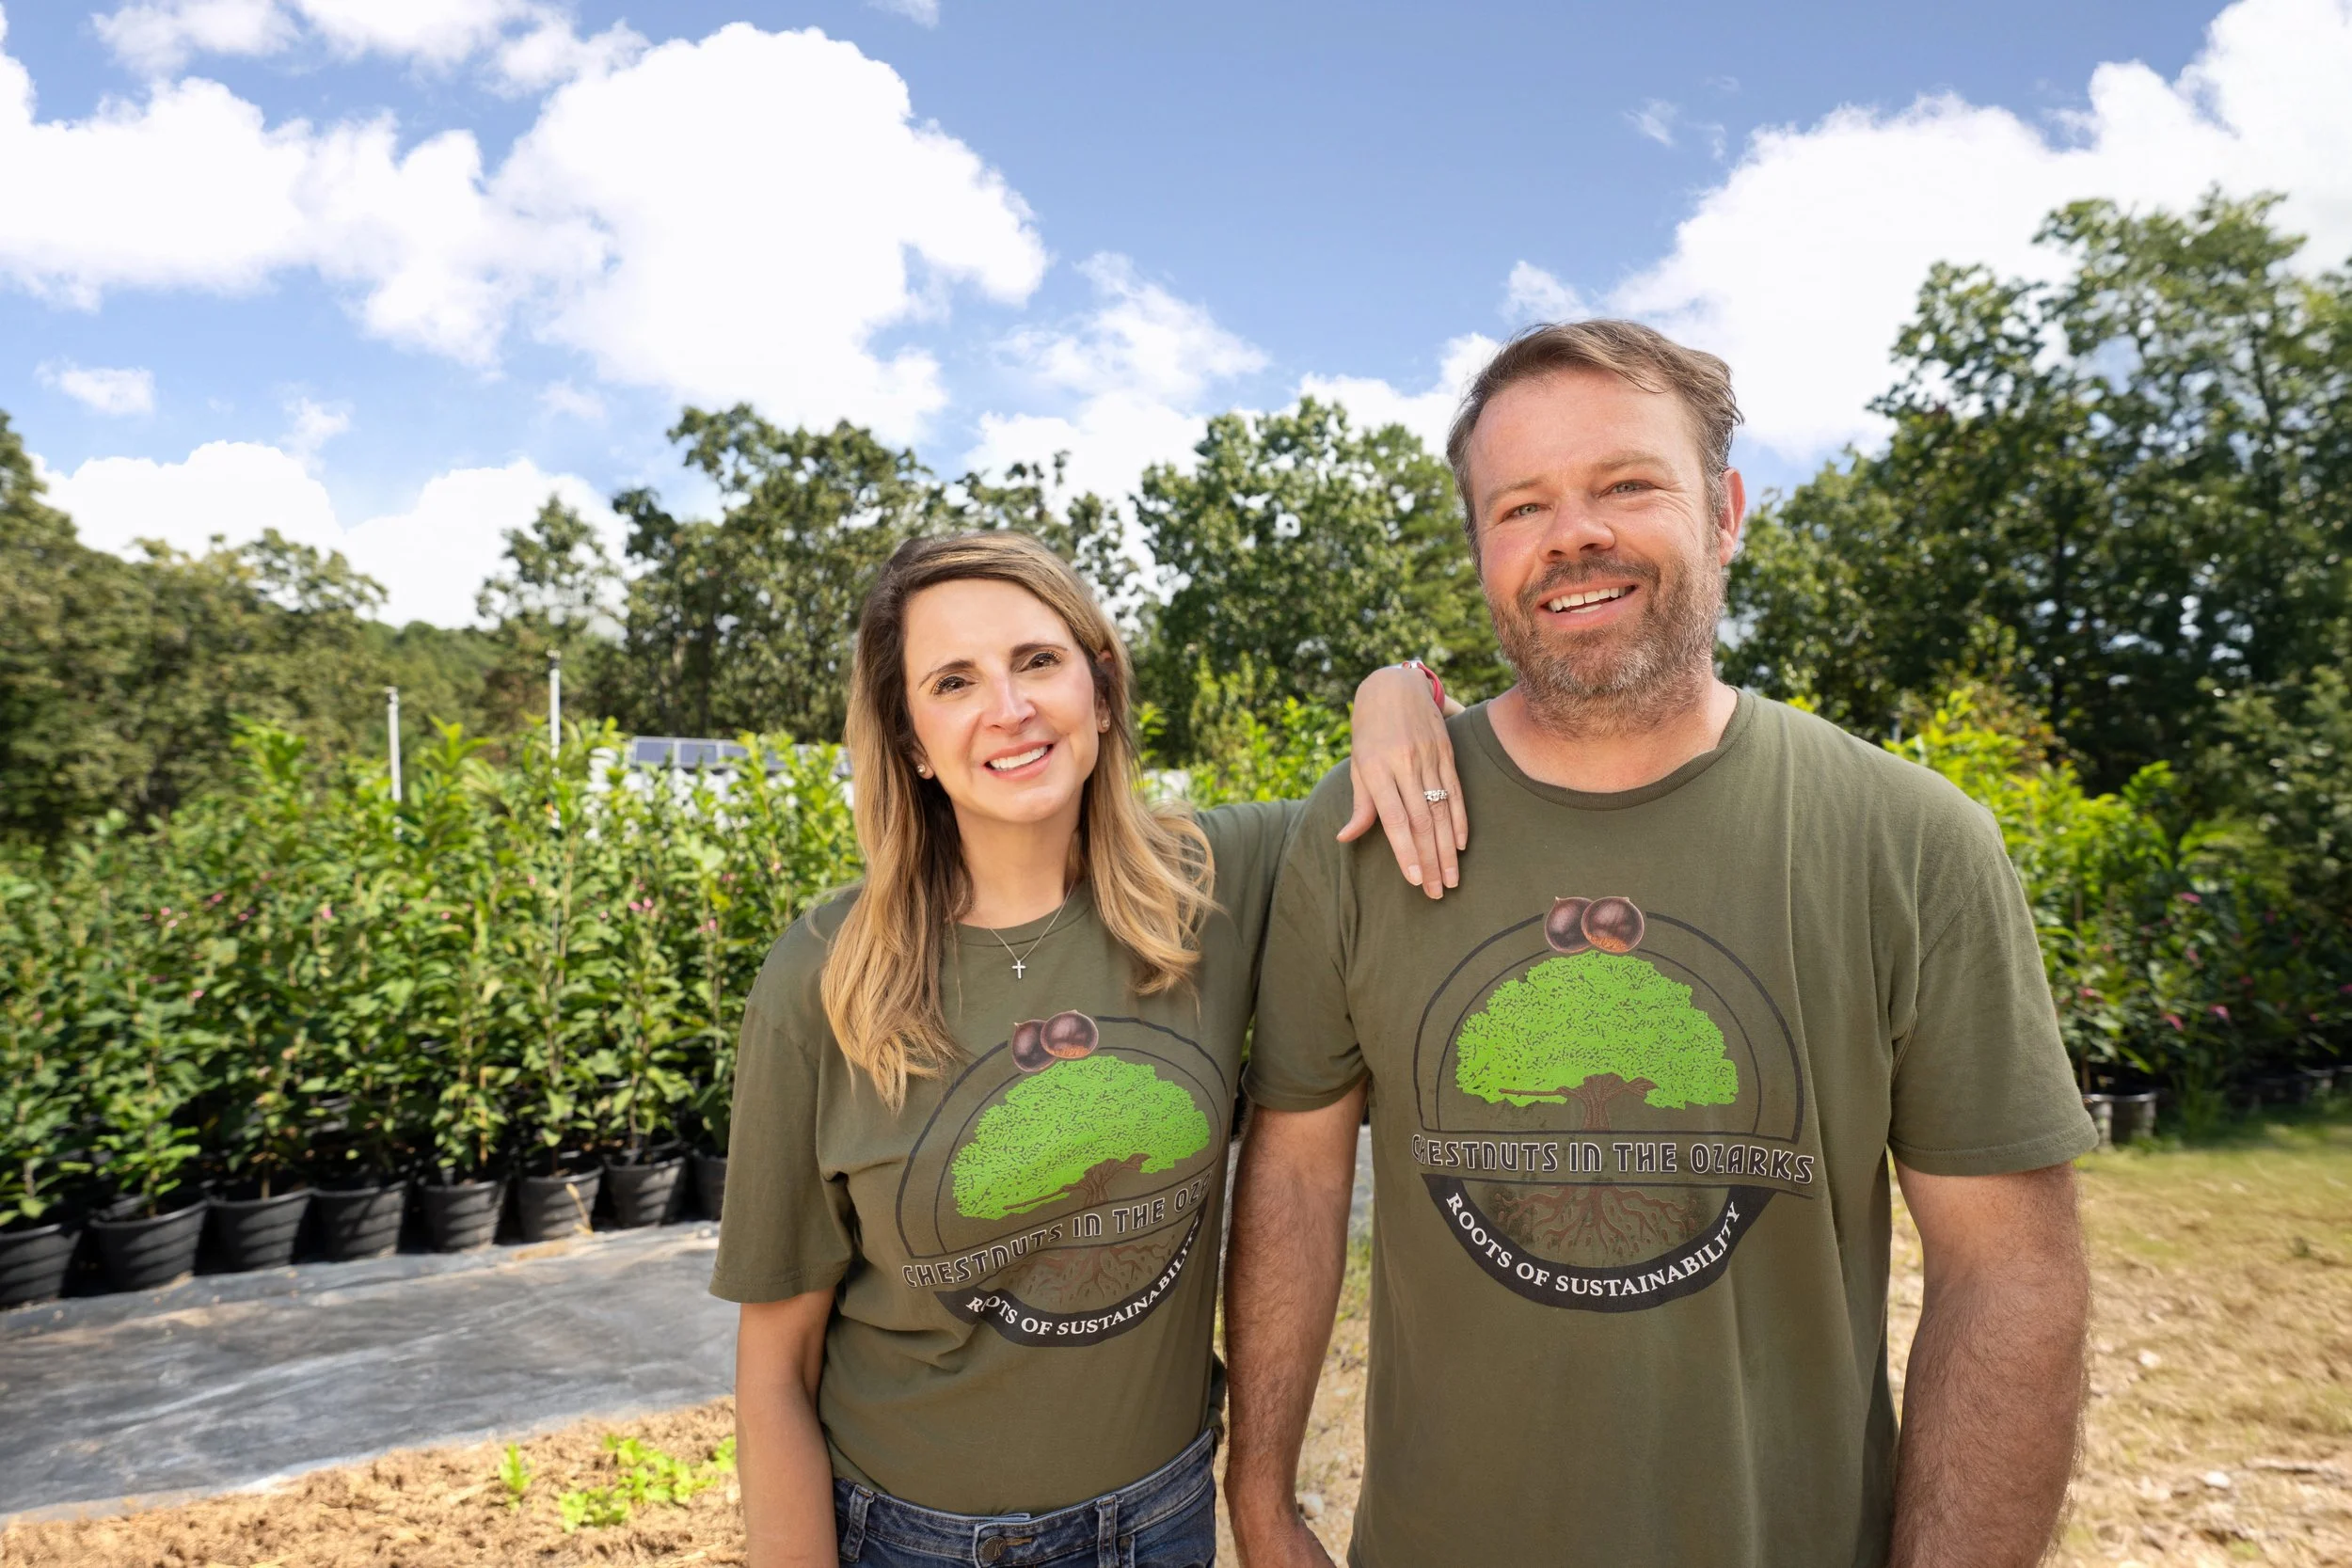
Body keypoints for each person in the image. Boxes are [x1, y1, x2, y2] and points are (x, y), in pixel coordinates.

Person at [1225, 321, 2098, 1568]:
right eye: (1520, 505)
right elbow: (1301, 1176)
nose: (1572, 532)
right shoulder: (1364, 831)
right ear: (1479, 548)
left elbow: (2007, 1273)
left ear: (1726, 507)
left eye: (1626, 483)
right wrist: (1260, 1495)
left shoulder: (1908, 842)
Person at [711, 531, 1471, 1568]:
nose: (1009, 708)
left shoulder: (1220, 878)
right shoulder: (824, 975)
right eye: (953, 681)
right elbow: (775, 1357)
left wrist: (1396, 687)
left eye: (1036, 660)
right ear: (911, 743)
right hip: (915, 1538)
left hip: (1160, 1522)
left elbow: (1393, 789)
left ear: (1101, 687)